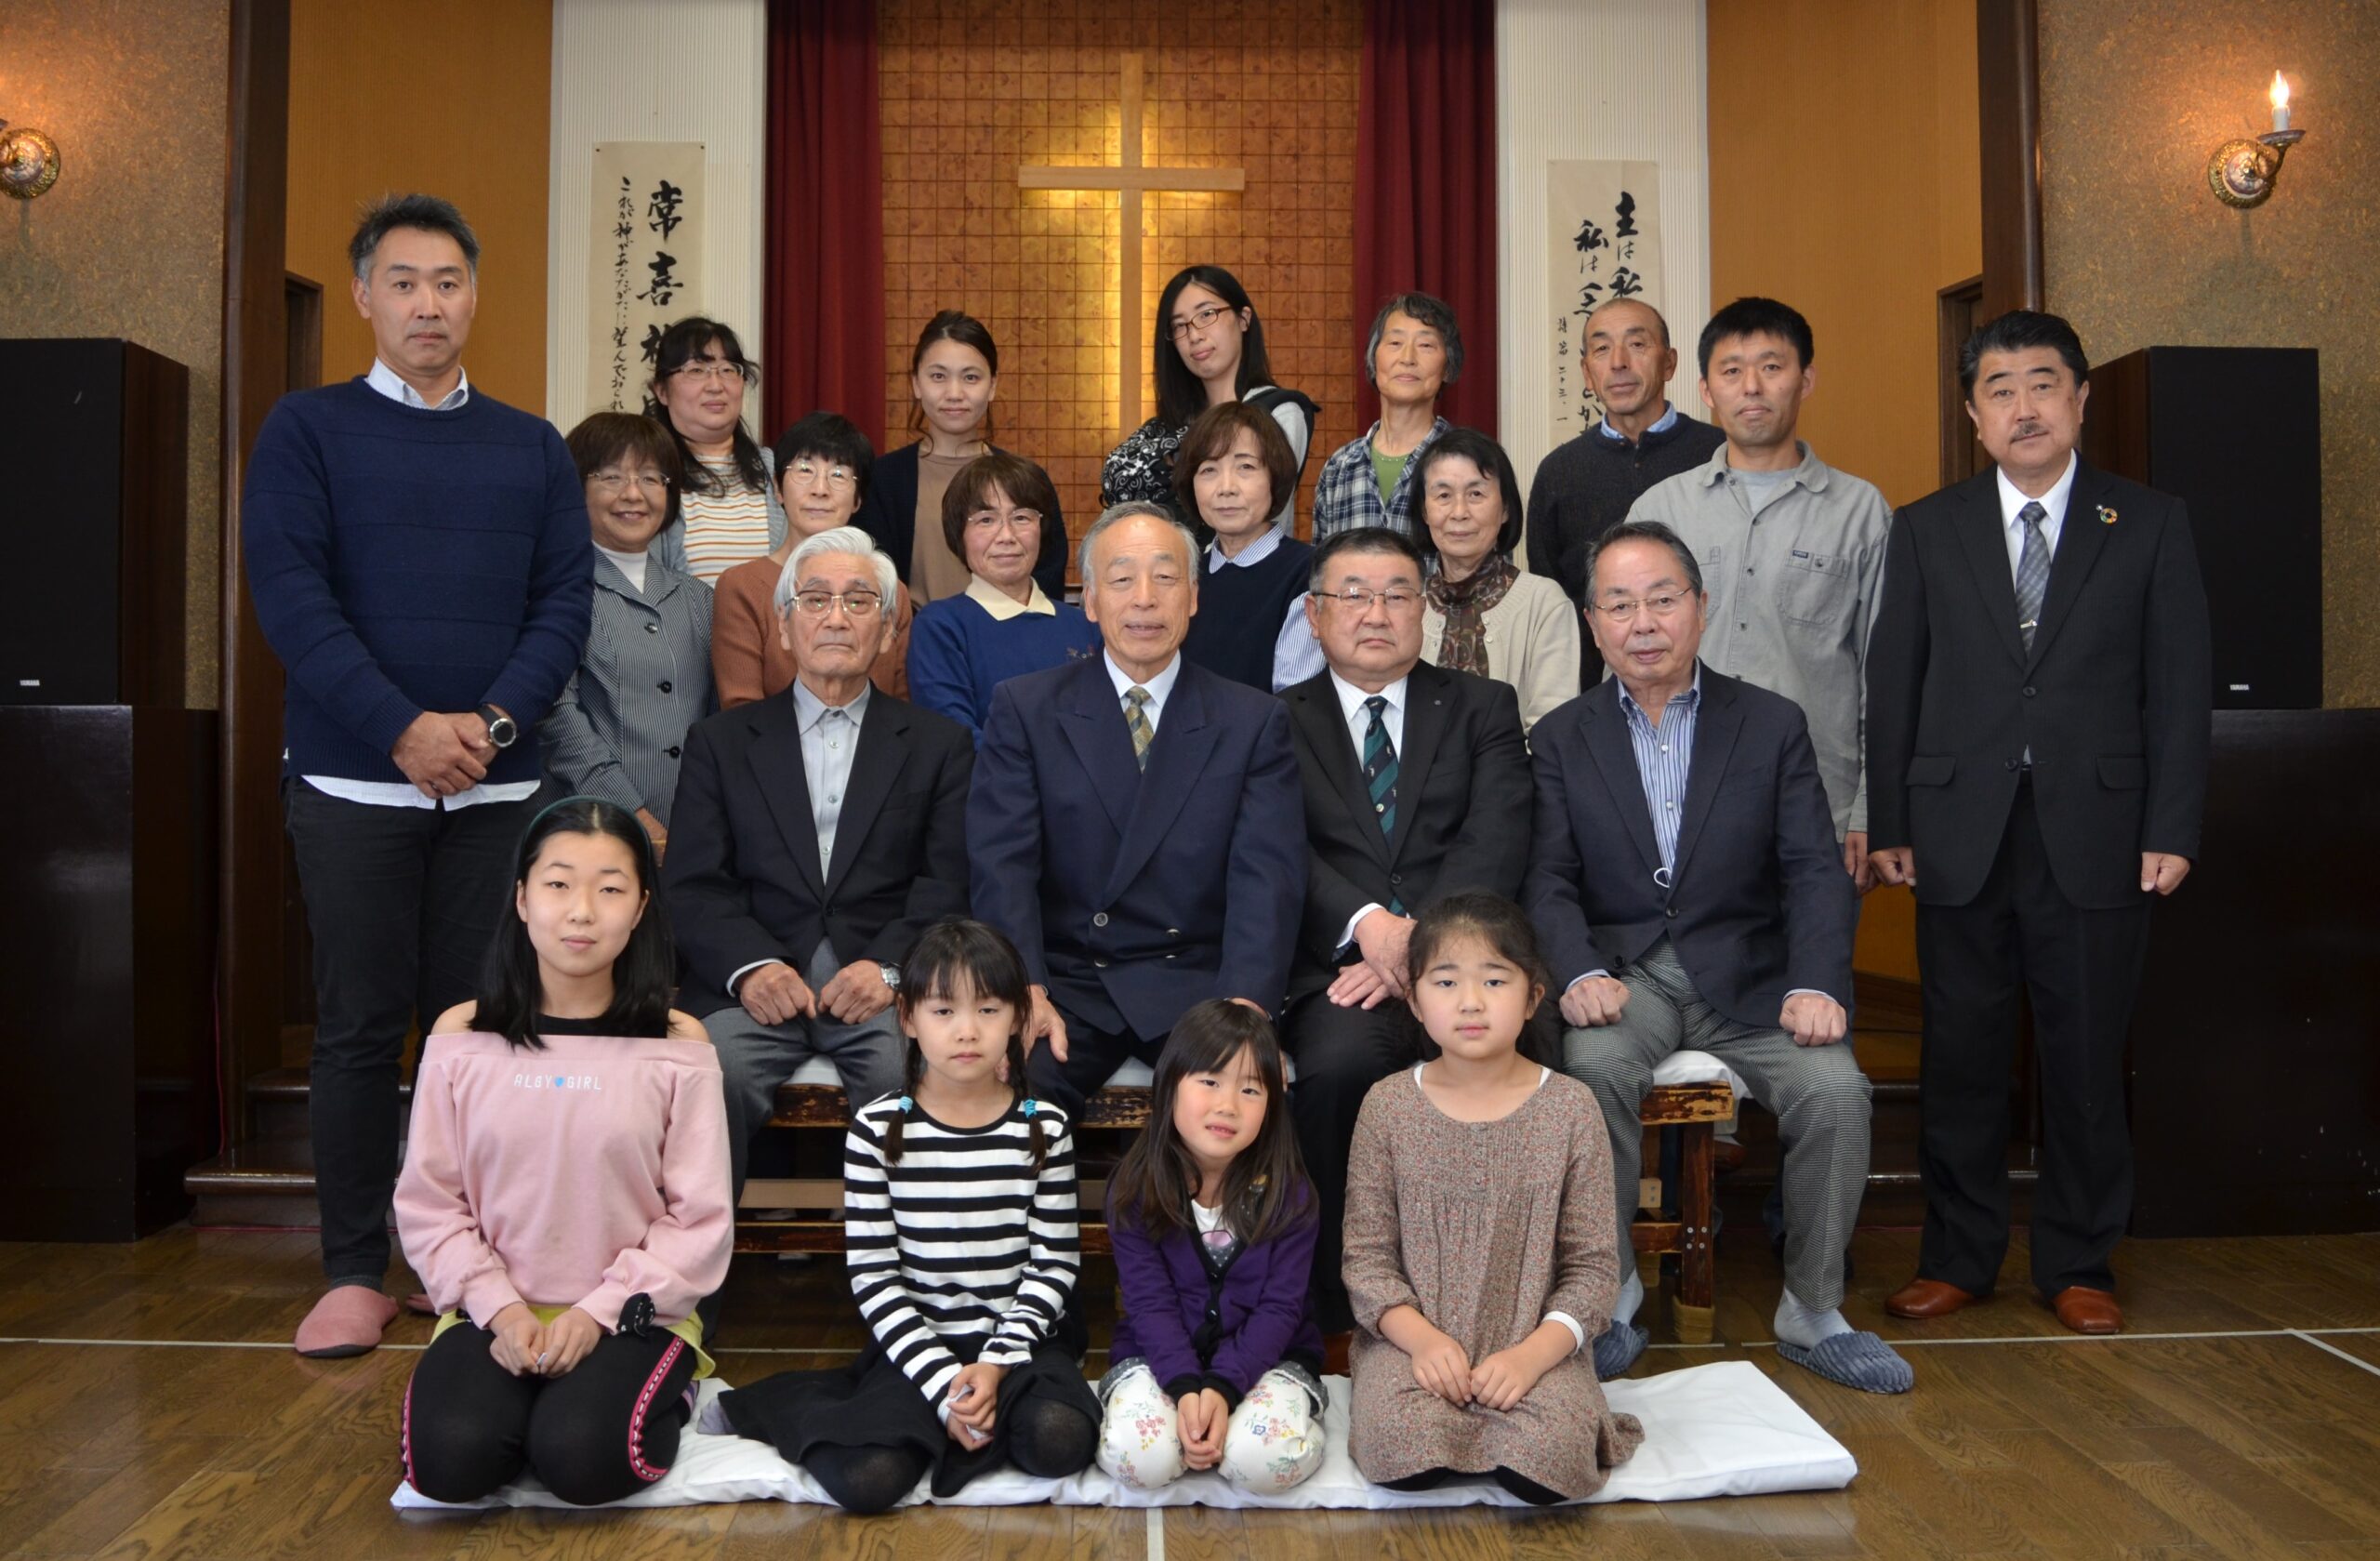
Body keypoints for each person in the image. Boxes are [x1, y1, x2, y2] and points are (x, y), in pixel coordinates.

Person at [243, 192, 592, 1357]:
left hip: (496, 791)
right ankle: (353, 1265)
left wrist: (488, 724)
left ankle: (479, 1263)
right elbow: (293, 599)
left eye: (447, 281)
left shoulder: (531, 445)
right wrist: (400, 727)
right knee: (357, 1026)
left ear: (475, 295)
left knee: (485, 1030)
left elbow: (562, 602)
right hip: (354, 783)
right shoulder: (306, 428)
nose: (427, 303)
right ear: (363, 297)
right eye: (403, 282)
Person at [1869, 310, 2211, 1338]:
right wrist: (1890, 814)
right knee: (1961, 1054)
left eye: (2043, 382)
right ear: (1974, 414)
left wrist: (2173, 825)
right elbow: (1896, 682)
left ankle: (2078, 1258)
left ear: (2079, 398)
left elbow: (2179, 689)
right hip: (1958, 827)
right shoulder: (1927, 526)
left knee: (2083, 1053)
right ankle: (1958, 1255)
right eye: (2001, 388)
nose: (2024, 404)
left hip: (2100, 830)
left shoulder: (2146, 522)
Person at [1527, 522, 1909, 1394]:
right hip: (1628, 974)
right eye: (1619, 604)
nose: (1644, 621)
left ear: (1701, 608)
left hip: (1754, 976)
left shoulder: (1769, 722)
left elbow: (1814, 867)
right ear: (1593, 625)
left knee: (1839, 1091)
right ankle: (1611, 1295)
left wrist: (1818, 981)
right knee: (1590, 1075)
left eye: (1663, 598)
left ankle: (1812, 1309)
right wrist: (1579, 969)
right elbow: (1545, 875)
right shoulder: (1560, 735)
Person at [392, 797, 732, 1506]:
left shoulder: (677, 1041)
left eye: (610, 888)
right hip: (496, 1307)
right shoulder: (462, 1034)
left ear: (640, 907)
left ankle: (661, 1385)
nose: (582, 910)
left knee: (583, 1460)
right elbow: (430, 1201)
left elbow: (697, 1218)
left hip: (634, 1312)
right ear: (521, 898)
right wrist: (503, 1310)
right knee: (448, 1464)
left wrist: (596, 1312)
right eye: (558, 884)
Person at [710, 919, 1100, 1513]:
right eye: (943, 1012)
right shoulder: (876, 1130)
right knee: (868, 1479)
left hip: (1020, 1346)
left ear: (1019, 1018)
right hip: (918, 1344)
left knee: (1060, 1438)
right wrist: (946, 1390)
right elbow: (876, 1280)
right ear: (908, 1020)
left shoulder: (1042, 1125)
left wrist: (995, 1364)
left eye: (989, 1010)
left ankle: (968, 1422)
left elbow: (1053, 1268)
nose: (967, 1031)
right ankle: (806, 1406)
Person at [663, 526, 974, 1197]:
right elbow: (692, 885)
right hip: (749, 987)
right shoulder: (720, 742)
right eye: (815, 599)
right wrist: (753, 968)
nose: (836, 616)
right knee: (706, 1077)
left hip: (881, 990)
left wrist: (891, 969)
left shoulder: (937, 745)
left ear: (890, 630)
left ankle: (903, 1283)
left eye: (860, 601)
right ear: (783, 623)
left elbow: (946, 882)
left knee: (909, 1078)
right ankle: (689, 1294)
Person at [968, 502, 1305, 1121]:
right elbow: (1002, 865)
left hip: (1198, 984)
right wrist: (1025, 989)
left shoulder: (1252, 719)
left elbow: (1268, 876)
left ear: (1194, 597)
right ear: (1090, 601)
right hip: (1069, 983)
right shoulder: (1027, 707)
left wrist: (1247, 1005)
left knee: (1243, 1105)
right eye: (1122, 579)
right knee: (1010, 1097)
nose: (1145, 599)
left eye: (1165, 577)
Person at [1277, 526, 1533, 1334]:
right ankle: (1336, 1306)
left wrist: (1416, 949)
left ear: (1423, 608)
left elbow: (1496, 836)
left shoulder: (1481, 705)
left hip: (1465, 962)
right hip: (1337, 967)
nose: (1375, 612)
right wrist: (1369, 927)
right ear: (1315, 616)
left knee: (1519, 1055)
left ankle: (1500, 1297)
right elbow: (1279, 848)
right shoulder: (1273, 720)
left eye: (1396, 593)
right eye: (1352, 594)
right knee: (1335, 1067)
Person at [1342, 893, 1644, 1504]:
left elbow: (1591, 1267)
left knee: (1552, 1457)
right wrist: (1424, 1342)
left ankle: (1543, 1410)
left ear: (1533, 996)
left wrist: (1533, 1356)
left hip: (1533, 1343)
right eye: (1446, 980)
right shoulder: (1387, 1105)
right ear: (1416, 997)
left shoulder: (1570, 1107)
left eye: (1495, 979)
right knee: (1397, 1443)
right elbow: (1367, 1258)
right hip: (1413, 1347)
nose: (1471, 1001)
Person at [1626, 297, 1889, 880]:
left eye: (1772, 367)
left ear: (1807, 379)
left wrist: (1870, 811)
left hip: (1816, 804)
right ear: (1704, 389)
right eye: (1731, 370)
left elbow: (1884, 673)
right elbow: (1622, 660)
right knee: (1685, 970)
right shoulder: (1659, 509)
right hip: (1672, 798)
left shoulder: (1861, 511)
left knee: (1812, 968)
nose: (1752, 386)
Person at [1096, 1001, 1327, 1492]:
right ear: (1170, 1084)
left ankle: (1247, 1428)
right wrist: (1183, 1387)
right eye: (1209, 1082)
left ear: (1272, 1105)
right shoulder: (1135, 1189)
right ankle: (1188, 1430)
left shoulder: (1291, 1194)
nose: (1228, 1105)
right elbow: (1148, 1302)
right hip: (1156, 1355)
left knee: (1260, 1463)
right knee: (1141, 1460)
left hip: (1268, 1358)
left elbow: (1280, 1308)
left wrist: (1223, 1388)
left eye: (1250, 1089)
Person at [539, 413, 713, 854]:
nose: (633, 494)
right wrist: (636, 819)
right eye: (612, 476)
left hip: (690, 834)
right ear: (575, 487)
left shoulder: (700, 599)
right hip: (586, 829)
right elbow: (558, 719)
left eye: (652, 478)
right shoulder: (555, 591)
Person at [1526, 298, 1726, 628]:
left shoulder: (1719, 454)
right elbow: (1552, 606)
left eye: (1636, 344)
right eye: (1602, 349)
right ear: (1587, 373)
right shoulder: (1558, 472)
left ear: (1669, 363)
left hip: (1709, 671)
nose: (1619, 362)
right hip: (1597, 676)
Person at [857, 311, 1069, 605]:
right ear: (916, 383)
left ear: (992, 385)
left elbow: (1047, 582)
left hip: (1011, 644)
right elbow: (873, 585)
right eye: (938, 376)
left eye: (970, 377)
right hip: (916, 645)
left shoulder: (1027, 481)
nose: (954, 393)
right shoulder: (882, 480)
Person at [711, 412, 912, 707]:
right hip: (772, 751)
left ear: (858, 499)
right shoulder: (740, 586)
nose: (820, 489)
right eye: (804, 471)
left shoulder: (891, 590)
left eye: (839, 475)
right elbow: (740, 709)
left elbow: (901, 708)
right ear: (778, 488)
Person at [904, 452, 1102, 741]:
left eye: (1021, 517)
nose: (1006, 536)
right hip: (988, 786)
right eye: (986, 520)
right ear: (959, 533)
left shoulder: (1087, 623)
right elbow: (954, 740)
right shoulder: (940, 626)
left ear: (1041, 529)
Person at [1103, 265, 1318, 525]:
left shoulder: (1278, 410)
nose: (1194, 335)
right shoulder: (1166, 427)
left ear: (1243, 319)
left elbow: (1263, 516)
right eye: (1179, 326)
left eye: (1207, 314)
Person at [1415, 429, 1580, 734]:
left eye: (1476, 494)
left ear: (1505, 508)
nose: (1459, 512)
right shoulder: (1406, 605)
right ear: (1425, 511)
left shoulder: (1544, 603)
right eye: (1443, 496)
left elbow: (1552, 732)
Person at [1173, 402, 1326, 693]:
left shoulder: (1308, 573)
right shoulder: (1184, 576)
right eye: (1208, 470)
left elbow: (1293, 700)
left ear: (1275, 476)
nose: (1226, 487)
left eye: (1246, 466)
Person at [646, 318, 787, 587]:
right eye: (696, 370)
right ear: (662, 391)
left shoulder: (774, 468)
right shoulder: (649, 473)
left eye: (727, 370)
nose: (715, 385)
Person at [1312, 292, 1459, 540]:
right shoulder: (1339, 468)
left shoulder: (1468, 464)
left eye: (1425, 345)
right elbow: (1320, 573)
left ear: (1447, 367)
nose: (1407, 358)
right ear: (1373, 358)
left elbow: (1493, 575)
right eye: (1395, 343)